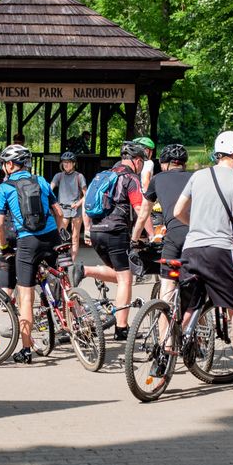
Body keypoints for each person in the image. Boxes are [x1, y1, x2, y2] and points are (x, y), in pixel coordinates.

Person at [173, 130, 233, 393]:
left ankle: (166, 357)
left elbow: (177, 211)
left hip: (191, 248)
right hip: (220, 251)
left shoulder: (198, 175)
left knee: (191, 306)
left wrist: (197, 227)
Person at [0, 145, 64, 364]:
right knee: (61, 280)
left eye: (5, 163)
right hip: (52, 237)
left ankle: (26, 350)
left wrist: (4, 246)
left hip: (28, 242)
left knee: (26, 296)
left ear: (11, 165)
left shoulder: (5, 187)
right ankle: (73, 319)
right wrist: (59, 233)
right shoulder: (41, 181)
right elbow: (59, 212)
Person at [72, 142, 146, 341]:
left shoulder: (103, 175)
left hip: (97, 232)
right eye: (142, 163)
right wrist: (152, 233)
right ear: (137, 161)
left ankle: (84, 270)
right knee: (125, 279)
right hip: (116, 232)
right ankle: (122, 328)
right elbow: (140, 209)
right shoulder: (130, 178)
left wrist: (87, 230)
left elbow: (87, 204)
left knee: (122, 275)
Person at [131, 144, 192, 301]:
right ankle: (198, 323)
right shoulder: (195, 178)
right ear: (184, 163)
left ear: (164, 164)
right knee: (194, 289)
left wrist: (134, 240)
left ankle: (164, 318)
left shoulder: (157, 179)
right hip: (196, 236)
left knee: (167, 285)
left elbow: (143, 214)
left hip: (174, 237)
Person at [50, 152, 87, 261]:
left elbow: (86, 194)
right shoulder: (59, 176)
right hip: (62, 209)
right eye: (64, 162)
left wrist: (78, 203)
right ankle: (58, 259)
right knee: (60, 235)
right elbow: (49, 189)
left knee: (75, 236)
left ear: (73, 164)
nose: (65, 164)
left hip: (76, 209)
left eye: (68, 162)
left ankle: (72, 261)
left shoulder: (79, 176)